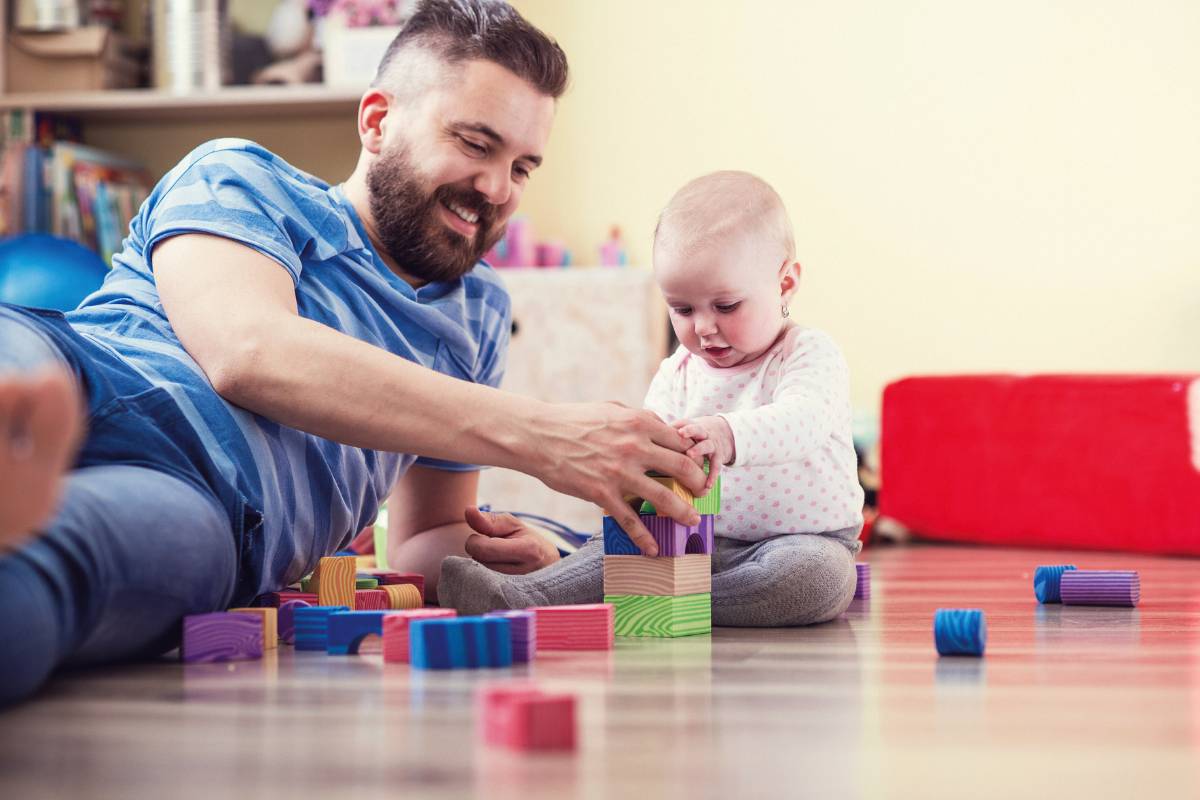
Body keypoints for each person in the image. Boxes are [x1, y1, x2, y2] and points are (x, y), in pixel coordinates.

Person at [0, 0, 706, 706]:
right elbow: (247, 351)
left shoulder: (477, 313)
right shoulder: (243, 176)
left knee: (55, 567)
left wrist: (526, 561)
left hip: (213, 504)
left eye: (522, 167)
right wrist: (541, 435)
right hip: (85, 368)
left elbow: (424, 536)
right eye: (474, 143)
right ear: (377, 121)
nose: (497, 188)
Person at [439, 171, 864, 625]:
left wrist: (726, 433)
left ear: (784, 286)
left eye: (725, 306)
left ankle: (663, 599)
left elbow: (804, 420)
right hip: (687, 538)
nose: (702, 327)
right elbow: (647, 450)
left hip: (798, 541)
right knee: (619, 543)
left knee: (817, 579)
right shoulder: (678, 370)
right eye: (682, 309)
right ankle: (525, 595)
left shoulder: (807, 353)